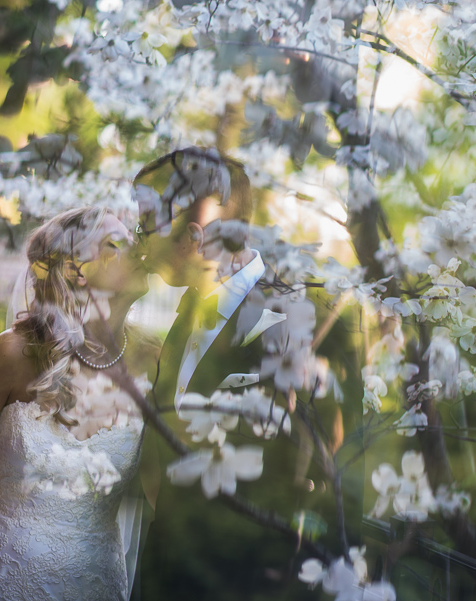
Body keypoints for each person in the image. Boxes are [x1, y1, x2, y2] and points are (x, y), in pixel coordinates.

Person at [132, 147, 361, 601]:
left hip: (247, 580)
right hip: (173, 572)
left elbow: (331, 450)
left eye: (145, 225)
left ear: (194, 233)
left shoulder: (298, 316)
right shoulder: (192, 308)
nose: (139, 243)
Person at [0, 206, 153, 601]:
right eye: (117, 245)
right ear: (77, 270)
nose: (137, 253)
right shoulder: (12, 354)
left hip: (95, 586)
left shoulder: (155, 362)